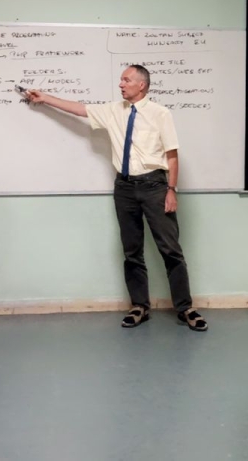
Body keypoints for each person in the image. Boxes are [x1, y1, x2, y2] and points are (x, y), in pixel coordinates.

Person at [25, 65, 207, 331]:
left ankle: (185, 308)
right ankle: (139, 306)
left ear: (141, 85)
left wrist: (171, 189)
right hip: (124, 187)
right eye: (121, 80)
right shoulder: (113, 110)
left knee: (170, 249)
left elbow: (172, 154)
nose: (121, 84)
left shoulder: (160, 113)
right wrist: (46, 98)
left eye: (126, 80)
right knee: (132, 250)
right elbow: (80, 109)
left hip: (155, 186)